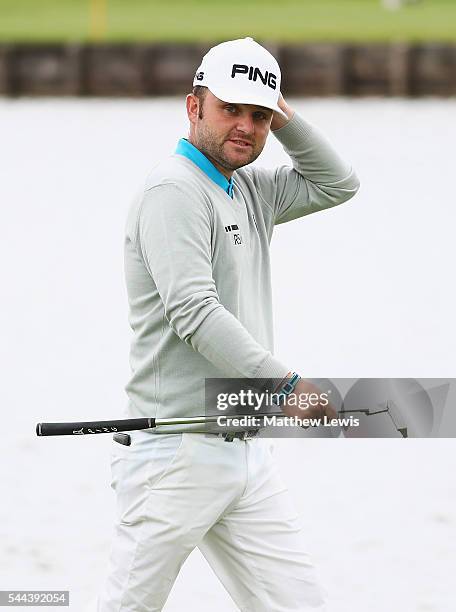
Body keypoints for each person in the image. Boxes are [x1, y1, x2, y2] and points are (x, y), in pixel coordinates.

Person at [96, 37, 360, 611]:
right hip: (174, 455)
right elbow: (195, 312)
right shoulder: (174, 188)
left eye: (259, 115)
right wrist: (285, 385)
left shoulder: (248, 187)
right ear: (193, 107)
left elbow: (338, 183)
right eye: (230, 108)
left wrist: (282, 115)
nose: (245, 126)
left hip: (243, 451)